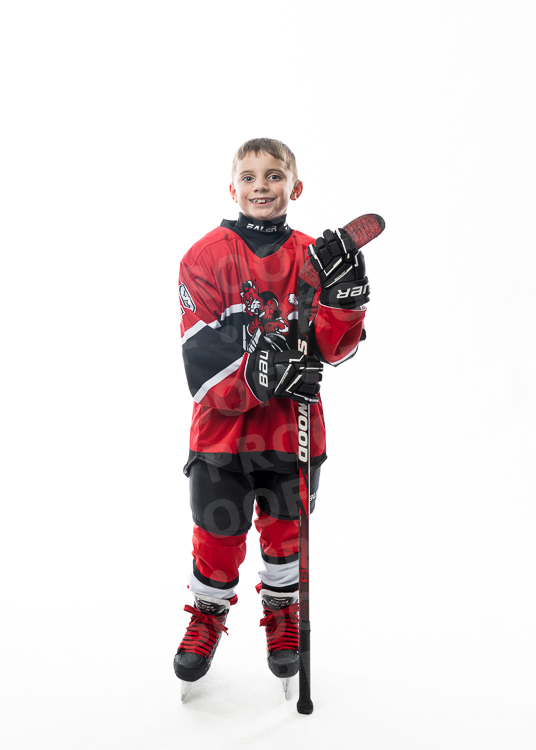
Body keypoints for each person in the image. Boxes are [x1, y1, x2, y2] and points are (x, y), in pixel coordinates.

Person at [174, 138, 370, 698]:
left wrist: (346, 304)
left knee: (287, 532)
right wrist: (263, 373)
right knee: (217, 531)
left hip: (292, 431)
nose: (261, 185)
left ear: (295, 187)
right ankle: (207, 613)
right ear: (232, 188)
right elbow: (200, 364)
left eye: (275, 175)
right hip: (222, 435)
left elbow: (332, 350)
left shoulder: (312, 255)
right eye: (250, 176)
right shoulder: (203, 256)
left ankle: (283, 609)